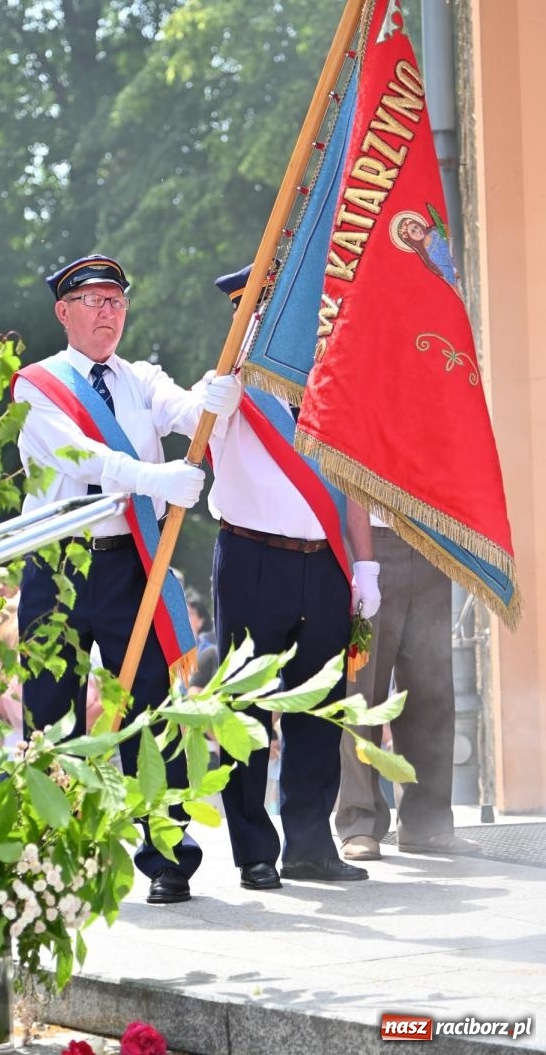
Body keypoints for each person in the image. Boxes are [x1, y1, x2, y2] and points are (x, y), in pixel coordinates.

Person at [12, 253, 240, 905]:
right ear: (64, 312)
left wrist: (216, 398)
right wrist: (151, 478)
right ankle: (52, 861)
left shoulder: (140, 378)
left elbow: (186, 413)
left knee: (150, 710)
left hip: (129, 561)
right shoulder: (36, 385)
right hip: (58, 565)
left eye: (116, 301)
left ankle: (167, 856)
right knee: (51, 716)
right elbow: (78, 455)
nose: (107, 313)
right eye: (93, 301)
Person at [208, 264, 382, 889]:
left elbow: (349, 483)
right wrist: (213, 404)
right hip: (252, 558)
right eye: (254, 313)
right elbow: (200, 440)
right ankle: (254, 850)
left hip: (324, 563)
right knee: (247, 710)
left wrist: (365, 565)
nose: (267, 323)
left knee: (318, 708)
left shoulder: (326, 387)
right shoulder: (228, 385)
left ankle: (309, 845)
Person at [336, 520, 480, 860]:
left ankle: (426, 824)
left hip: (430, 537)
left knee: (432, 691)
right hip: (369, 542)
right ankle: (359, 822)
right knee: (361, 694)